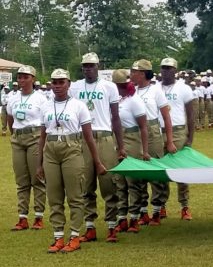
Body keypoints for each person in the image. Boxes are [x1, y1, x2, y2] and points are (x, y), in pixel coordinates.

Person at [36, 68, 106, 253]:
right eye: (54, 82)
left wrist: (97, 162)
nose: (57, 86)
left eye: (61, 82)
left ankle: (75, 236)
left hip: (72, 149)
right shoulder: (46, 106)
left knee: (75, 195)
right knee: (54, 195)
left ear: (68, 84)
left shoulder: (78, 105)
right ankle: (58, 236)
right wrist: (39, 163)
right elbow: (42, 137)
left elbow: (89, 137)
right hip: (50, 150)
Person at [68, 52, 126, 243]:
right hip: (82, 138)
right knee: (85, 184)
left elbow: (116, 117)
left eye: (91, 65)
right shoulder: (75, 87)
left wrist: (120, 145)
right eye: (85, 66)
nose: (88, 69)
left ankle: (111, 226)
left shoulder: (109, 87)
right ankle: (90, 226)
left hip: (104, 136)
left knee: (108, 182)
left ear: (98, 66)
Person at [129, 59, 176, 226]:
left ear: (142, 73)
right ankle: (142, 211)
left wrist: (169, 141)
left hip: (152, 130)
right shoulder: (131, 91)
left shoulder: (156, 91)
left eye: (134, 71)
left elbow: (166, 117)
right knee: (138, 172)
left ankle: (157, 209)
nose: (131, 74)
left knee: (155, 171)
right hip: (135, 132)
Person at [7, 65, 47, 231]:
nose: (21, 80)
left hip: (35, 137)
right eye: (19, 77)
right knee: (21, 180)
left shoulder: (41, 98)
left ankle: (38, 216)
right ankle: (22, 217)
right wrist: (14, 133)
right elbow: (10, 117)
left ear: (33, 79)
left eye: (25, 77)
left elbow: (45, 120)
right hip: (18, 138)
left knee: (37, 177)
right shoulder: (13, 98)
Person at [112, 69, 150, 233]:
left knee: (132, 181)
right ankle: (122, 217)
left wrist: (145, 150)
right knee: (119, 180)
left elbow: (143, 127)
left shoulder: (134, 100)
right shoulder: (115, 99)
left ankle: (134, 217)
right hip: (116, 139)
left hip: (132, 137)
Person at [159, 57, 194, 220]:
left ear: (175, 70)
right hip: (159, 132)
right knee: (161, 170)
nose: (166, 71)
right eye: (163, 68)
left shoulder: (184, 88)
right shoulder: (155, 89)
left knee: (181, 170)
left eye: (169, 68)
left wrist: (190, 138)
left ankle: (184, 206)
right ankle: (161, 205)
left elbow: (191, 114)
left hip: (179, 131)